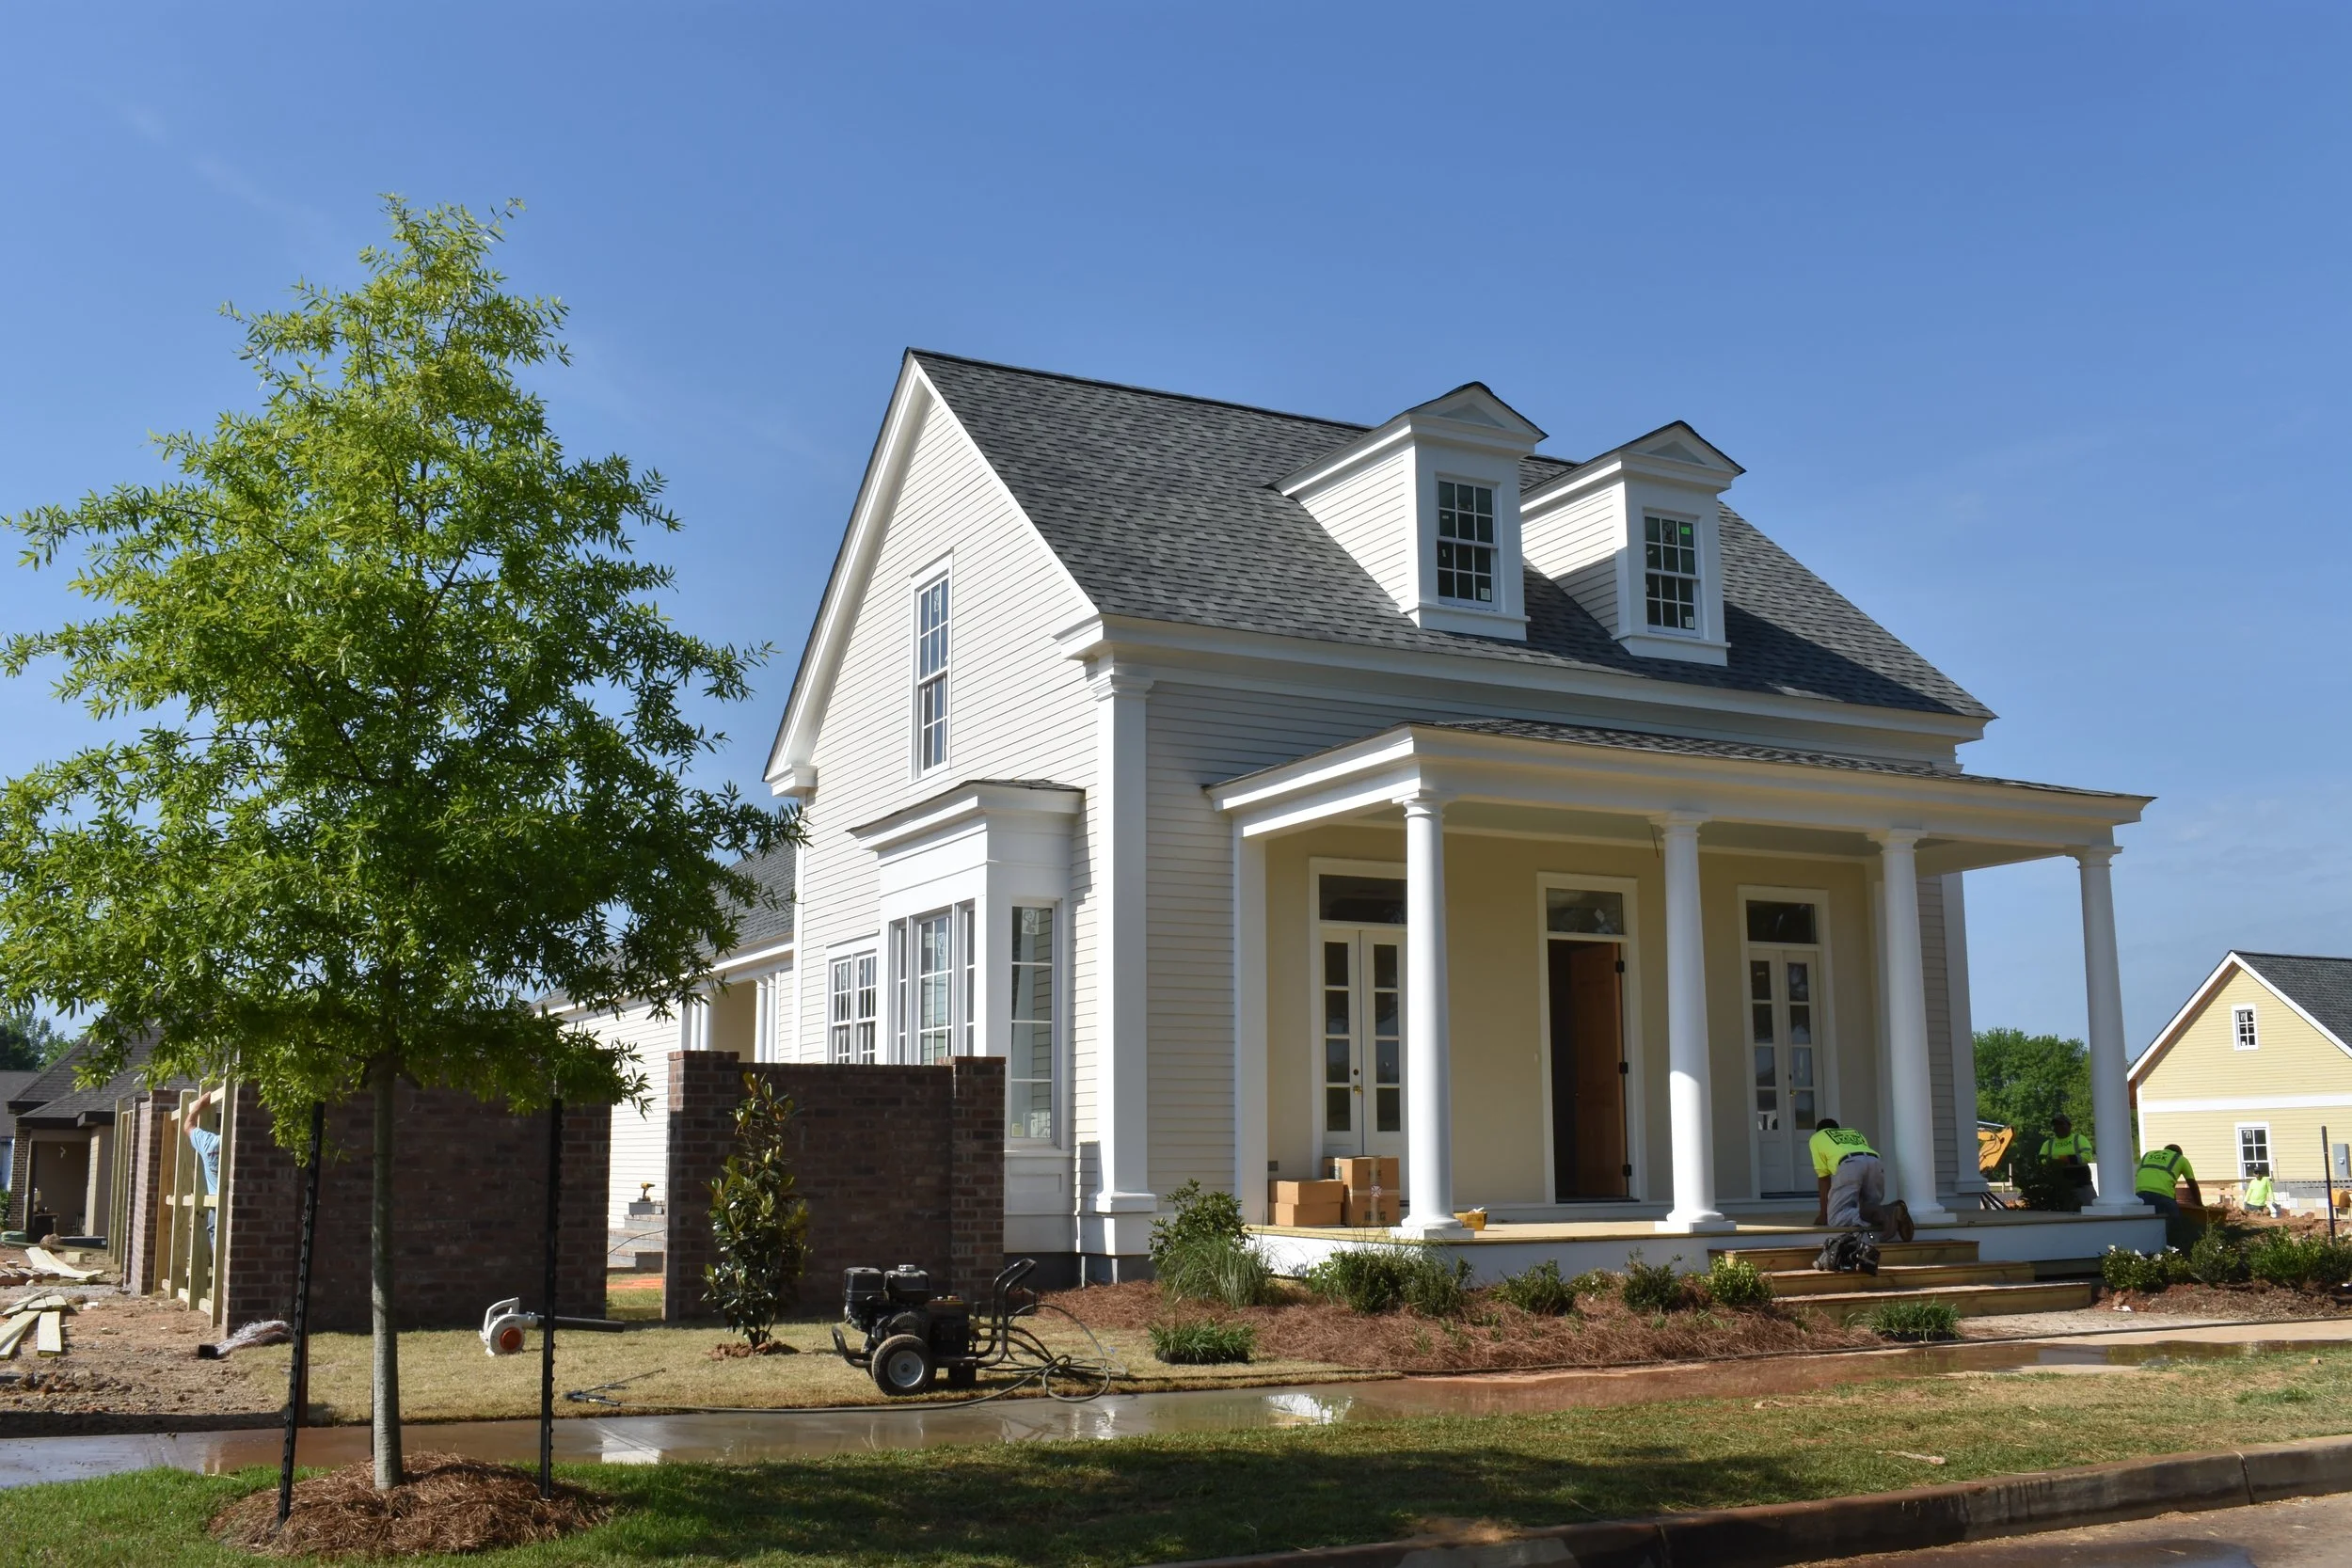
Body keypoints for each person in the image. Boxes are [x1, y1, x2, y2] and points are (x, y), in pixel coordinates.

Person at [1810, 1118, 1915, 1242]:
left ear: (1819, 1130)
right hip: (1875, 1161)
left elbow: (1824, 1179)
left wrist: (1824, 1215)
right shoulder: (1853, 1132)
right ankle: (1891, 1214)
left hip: (1849, 1163)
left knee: (1836, 1217)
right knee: (1870, 1208)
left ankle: (1889, 1211)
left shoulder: (1817, 1137)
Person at [183, 1085, 225, 1253]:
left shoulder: (209, 1143)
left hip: (216, 1206)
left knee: (219, 1250)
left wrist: (198, 1106)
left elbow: (188, 1125)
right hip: (245, 1205)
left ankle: (221, 1277)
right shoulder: (248, 1144)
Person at [2039, 1115, 2096, 1207]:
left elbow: (2087, 1156)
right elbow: (2041, 1160)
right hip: (2058, 1186)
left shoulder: (2079, 1139)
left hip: (2082, 1185)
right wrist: (2055, 1162)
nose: (2058, 1127)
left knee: (2092, 1208)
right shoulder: (2048, 1144)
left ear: (2069, 1126)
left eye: (2061, 1124)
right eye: (2055, 1125)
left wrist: (2064, 1159)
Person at [2133, 1142, 2201, 1216]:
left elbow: (2137, 1175)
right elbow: (2192, 1183)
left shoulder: (2147, 1155)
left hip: (2139, 1195)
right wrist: (2200, 1205)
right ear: (2179, 1153)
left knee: (2146, 1224)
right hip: (2163, 1196)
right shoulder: (2180, 1158)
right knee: (2174, 1225)